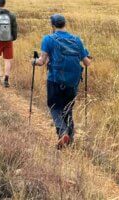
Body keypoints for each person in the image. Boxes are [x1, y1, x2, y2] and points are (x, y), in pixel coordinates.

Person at [32, 14, 92, 149]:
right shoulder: (77, 40)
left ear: (52, 26)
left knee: (54, 107)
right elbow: (87, 62)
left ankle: (62, 132)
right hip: (73, 82)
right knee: (68, 109)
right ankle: (69, 140)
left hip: (55, 79)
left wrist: (33, 61)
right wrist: (89, 56)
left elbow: (42, 61)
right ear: (65, 24)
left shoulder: (48, 39)